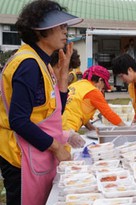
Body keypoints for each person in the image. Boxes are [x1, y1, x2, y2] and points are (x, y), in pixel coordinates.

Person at [0, 0, 84, 204]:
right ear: (40, 30)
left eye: (66, 26)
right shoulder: (28, 64)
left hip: (34, 152)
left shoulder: (42, 62)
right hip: (19, 155)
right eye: (60, 26)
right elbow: (18, 121)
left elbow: (54, 111)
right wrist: (57, 147)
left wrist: (63, 75)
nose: (66, 31)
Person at [62, 65, 126, 132]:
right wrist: (125, 128)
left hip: (59, 123)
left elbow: (77, 109)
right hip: (68, 127)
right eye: (104, 87)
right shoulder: (93, 91)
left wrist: (91, 128)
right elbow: (109, 113)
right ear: (100, 80)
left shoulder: (77, 84)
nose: (102, 90)